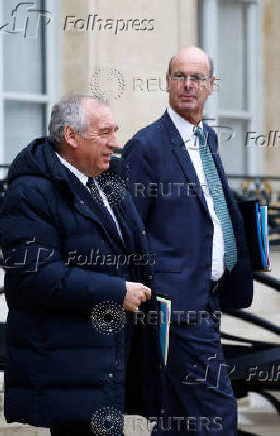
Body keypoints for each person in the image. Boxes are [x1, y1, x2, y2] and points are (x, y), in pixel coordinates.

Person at [0, 94, 161, 436]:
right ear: (71, 136)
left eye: (115, 132)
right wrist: (117, 292)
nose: (115, 144)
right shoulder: (30, 192)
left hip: (111, 358)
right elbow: (36, 276)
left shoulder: (109, 182)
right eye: (104, 133)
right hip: (68, 365)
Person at [122, 47, 253, 435]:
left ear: (212, 86)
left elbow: (211, 210)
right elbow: (130, 231)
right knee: (217, 414)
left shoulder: (206, 138)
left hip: (208, 296)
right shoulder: (146, 145)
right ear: (167, 82)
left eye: (197, 78)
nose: (188, 85)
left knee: (176, 416)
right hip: (175, 307)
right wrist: (152, 296)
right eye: (180, 76)